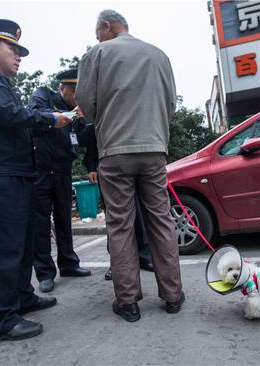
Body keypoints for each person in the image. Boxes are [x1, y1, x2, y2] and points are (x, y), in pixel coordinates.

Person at [0, 19, 72, 341]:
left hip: (18, 174)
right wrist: (51, 120)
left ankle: (21, 296)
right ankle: (1, 320)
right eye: (13, 48)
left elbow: (17, 119)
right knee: (2, 248)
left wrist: (49, 122)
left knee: (23, 243)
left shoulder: (0, 81)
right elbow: (10, 116)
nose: (19, 56)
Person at [75, 9, 184, 322]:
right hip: (153, 148)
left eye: (99, 33)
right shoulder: (159, 55)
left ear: (106, 27)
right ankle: (173, 295)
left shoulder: (96, 55)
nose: (98, 38)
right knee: (161, 221)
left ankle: (128, 302)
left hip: (115, 151)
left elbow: (87, 108)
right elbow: (171, 105)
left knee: (121, 224)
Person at [28, 69, 91, 293]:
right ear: (63, 88)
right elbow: (34, 116)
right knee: (41, 223)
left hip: (63, 170)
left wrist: (86, 122)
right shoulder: (43, 96)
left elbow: (81, 138)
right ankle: (45, 273)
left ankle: (69, 263)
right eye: (74, 93)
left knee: (64, 219)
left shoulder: (76, 108)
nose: (77, 98)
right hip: (41, 170)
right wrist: (73, 115)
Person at [80, 124, 154, 281]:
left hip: (136, 159)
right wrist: (91, 166)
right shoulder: (99, 106)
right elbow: (88, 137)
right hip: (109, 165)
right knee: (115, 218)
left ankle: (144, 256)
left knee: (139, 214)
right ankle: (118, 263)